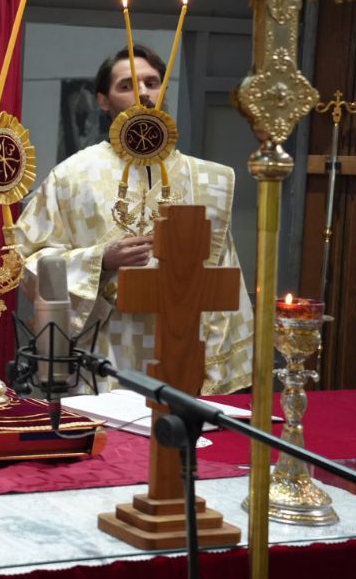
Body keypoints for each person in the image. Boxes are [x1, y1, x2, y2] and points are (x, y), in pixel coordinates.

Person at [15, 43, 254, 394]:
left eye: (152, 82)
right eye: (126, 86)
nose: (143, 93)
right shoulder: (72, 176)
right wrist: (99, 261)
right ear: (103, 100)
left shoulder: (206, 180)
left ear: (164, 90)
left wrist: (216, 371)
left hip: (181, 351)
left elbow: (222, 278)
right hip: (102, 352)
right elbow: (29, 263)